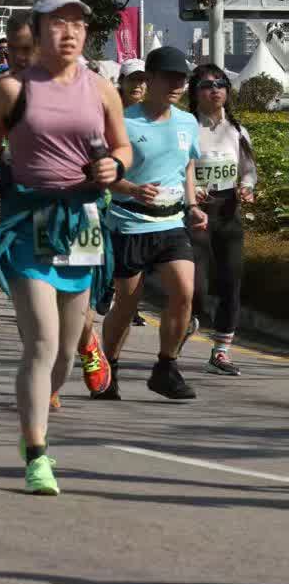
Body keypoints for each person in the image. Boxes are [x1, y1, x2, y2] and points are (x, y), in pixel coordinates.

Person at [0, 0, 131, 496]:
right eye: (58, 23)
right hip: (27, 218)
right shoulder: (12, 88)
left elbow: (122, 144)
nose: (70, 32)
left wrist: (116, 165)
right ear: (37, 32)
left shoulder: (101, 89)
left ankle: (41, 413)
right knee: (41, 341)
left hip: (80, 220)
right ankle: (36, 451)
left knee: (63, 353)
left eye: (78, 23)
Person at [100, 45, 207, 401]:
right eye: (170, 78)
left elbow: (187, 167)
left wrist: (192, 205)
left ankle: (166, 367)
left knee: (184, 292)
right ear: (150, 80)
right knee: (126, 305)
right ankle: (108, 367)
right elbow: (104, 174)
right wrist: (131, 188)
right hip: (130, 223)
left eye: (182, 78)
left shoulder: (187, 122)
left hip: (171, 223)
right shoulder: (124, 123)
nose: (178, 84)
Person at [188, 64, 257, 375]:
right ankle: (183, 326)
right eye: (206, 84)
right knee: (196, 287)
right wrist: (191, 191)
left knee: (231, 282)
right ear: (195, 92)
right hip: (195, 213)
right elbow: (175, 168)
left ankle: (221, 351)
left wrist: (247, 187)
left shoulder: (238, 130)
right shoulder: (186, 127)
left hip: (228, 211)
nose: (214, 89)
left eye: (220, 83)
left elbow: (248, 169)